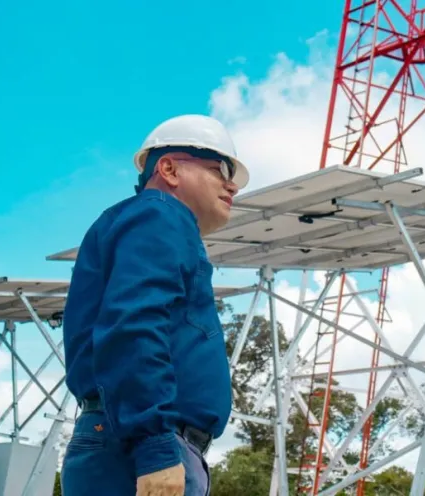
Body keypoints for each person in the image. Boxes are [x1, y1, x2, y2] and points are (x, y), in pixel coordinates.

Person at [60, 114, 249, 496]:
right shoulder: (160, 213)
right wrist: (155, 448)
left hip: (133, 441)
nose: (232, 185)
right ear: (169, 168)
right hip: (138, 446)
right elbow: (134, 326)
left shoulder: (150, 221)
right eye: (220, 169)